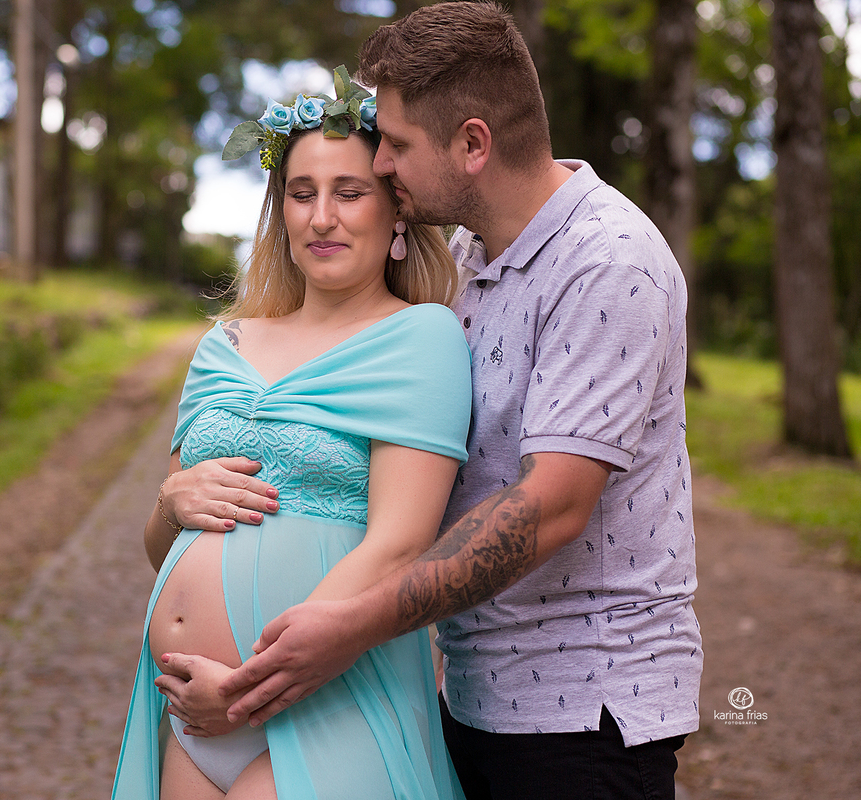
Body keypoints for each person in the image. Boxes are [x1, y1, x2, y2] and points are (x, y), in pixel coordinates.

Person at [165, 5, 702, 799]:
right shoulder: (465, 258)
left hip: (583, 710)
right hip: (473, 694)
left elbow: (550, 507)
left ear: (473, 144)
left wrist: (354, 624)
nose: (382, 164)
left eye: (398, 144)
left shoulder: (610, 261)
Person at [112, 68, 471, 800]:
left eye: (349, 192)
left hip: (330, 702)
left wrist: (249, 686)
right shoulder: (226, 344)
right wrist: (169, 504)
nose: (321, 217)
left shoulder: (420, 337)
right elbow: (165, 548)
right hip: (192, 719)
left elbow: (398, 544)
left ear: (396, 210)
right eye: (301, 195)